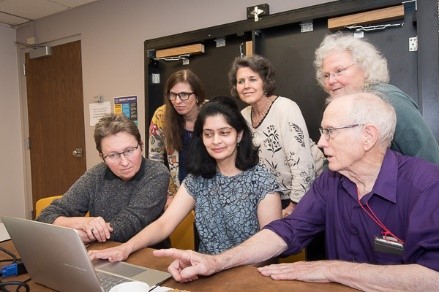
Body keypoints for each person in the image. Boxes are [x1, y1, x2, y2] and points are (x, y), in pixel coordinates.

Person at [153, 93, 439, 291]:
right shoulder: (330, 182)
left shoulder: (426, 185)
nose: (321, 143)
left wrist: (330, 269)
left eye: (330, 132)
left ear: (368, 136)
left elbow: (433, 278)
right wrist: (215, 262)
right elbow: (286, 230)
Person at [88, 96, 282, 261]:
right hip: (205, 276)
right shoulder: (197, 180)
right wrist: (126, 248)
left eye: (224, 133)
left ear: (239, 135)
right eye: (208, 134)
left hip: (249, 276)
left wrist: (220, 264)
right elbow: (164, 224)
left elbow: (271, 246)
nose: (216, 141)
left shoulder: (262, 181)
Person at [37, 113, 170, 246]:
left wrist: (78, 235)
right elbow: (45, 217)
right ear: (102, 157)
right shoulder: (96, 174)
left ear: (141, 146)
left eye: (129, 151)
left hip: (147, 256)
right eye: (113, 155)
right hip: (102, 252)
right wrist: (84, 222)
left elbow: (126, 227)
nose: (124, 162)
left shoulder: (157, 173)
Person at [314, 32, 439, 164]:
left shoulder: (388, 99)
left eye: (339, 71)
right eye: (326, 75)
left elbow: (427, 156)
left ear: (364, 67)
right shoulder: (339, 107)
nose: (331, 80)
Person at [228, 55, 324, 217]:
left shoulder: (285, 108)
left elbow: (303, 164)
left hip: (303, 194)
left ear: (265, 82)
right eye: (241, 81)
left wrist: (294, 205)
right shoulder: (243, 116)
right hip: (270, 197)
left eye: (252, 79)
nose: (246, 86)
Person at [149, 69, 207, 208]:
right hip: (176, 195)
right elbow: (155, 159)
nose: (177, 101)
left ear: (197, 95)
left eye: (184, 95)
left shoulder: (211, 111)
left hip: (208, 192)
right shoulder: (161, 115)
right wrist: (165, 195)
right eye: (173, 95)